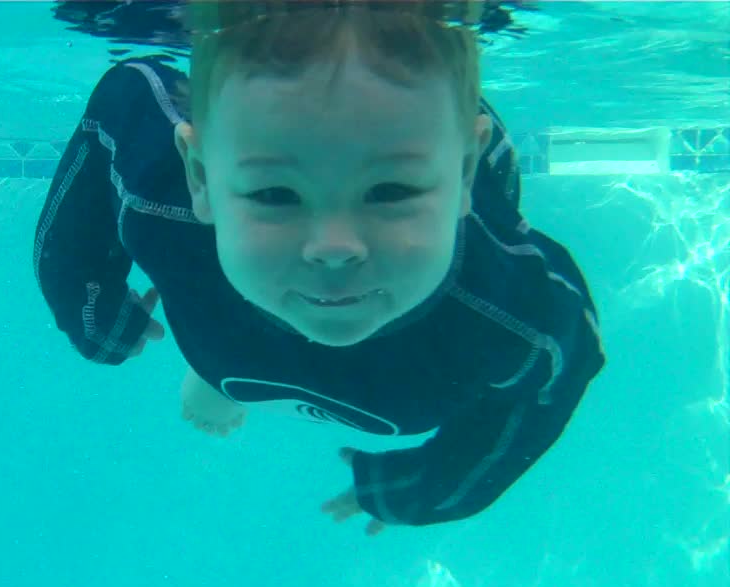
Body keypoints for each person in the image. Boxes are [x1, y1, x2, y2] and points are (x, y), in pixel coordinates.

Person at [32, 0, 605, 532]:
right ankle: (222, 370)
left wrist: (425, 488)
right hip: (232, 290)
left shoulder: (506, 312)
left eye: (389, 190)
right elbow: (123, 104)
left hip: (426, 211)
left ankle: (225, 362)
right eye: (276, 195)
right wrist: (85, 300)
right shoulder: (167, 200)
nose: (334, 248)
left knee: (240, 300)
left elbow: (558, 377)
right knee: (227, 306)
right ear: (200, 178)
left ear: (460, 176)